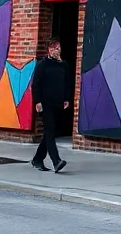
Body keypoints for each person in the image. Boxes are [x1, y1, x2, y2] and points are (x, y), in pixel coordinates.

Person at [30, 39, 70, 173]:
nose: (59, 50)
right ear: (50, 50)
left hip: (58, 103)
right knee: (50, 130)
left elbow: (67, 82)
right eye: (56, 48)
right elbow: (36, 85)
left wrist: (66, 98)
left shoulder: (63, 65)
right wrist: (38, 102)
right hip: (45, 104)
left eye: (59, 48)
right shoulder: (42, 65)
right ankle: (56, 161)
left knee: (50, 131)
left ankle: (37, 159)